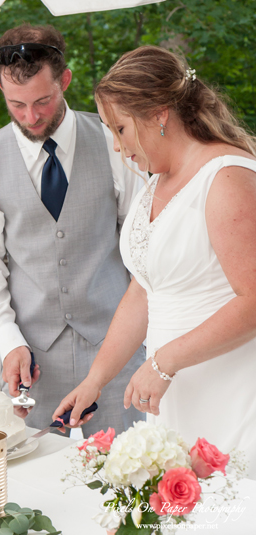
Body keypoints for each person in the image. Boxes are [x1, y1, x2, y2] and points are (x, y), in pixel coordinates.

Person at [53, 45, 256, 475]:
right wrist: (96, 380)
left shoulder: (225, 177)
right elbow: (144, 289)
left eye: (121, 129)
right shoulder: (155, 181)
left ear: (159, 114)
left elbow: (253, 299)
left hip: (232, 387)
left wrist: (164, 362)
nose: (117, 146)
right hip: (175, 390)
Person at [0, 24, 144, 436]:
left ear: (65, 80)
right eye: (16, 104)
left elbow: (144, 251)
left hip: (116, 352)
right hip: (32, 361)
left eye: (42, 100)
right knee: (37, 488)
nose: (31, 116)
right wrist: (8, 341)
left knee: (126, 482)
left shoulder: (117, 147)